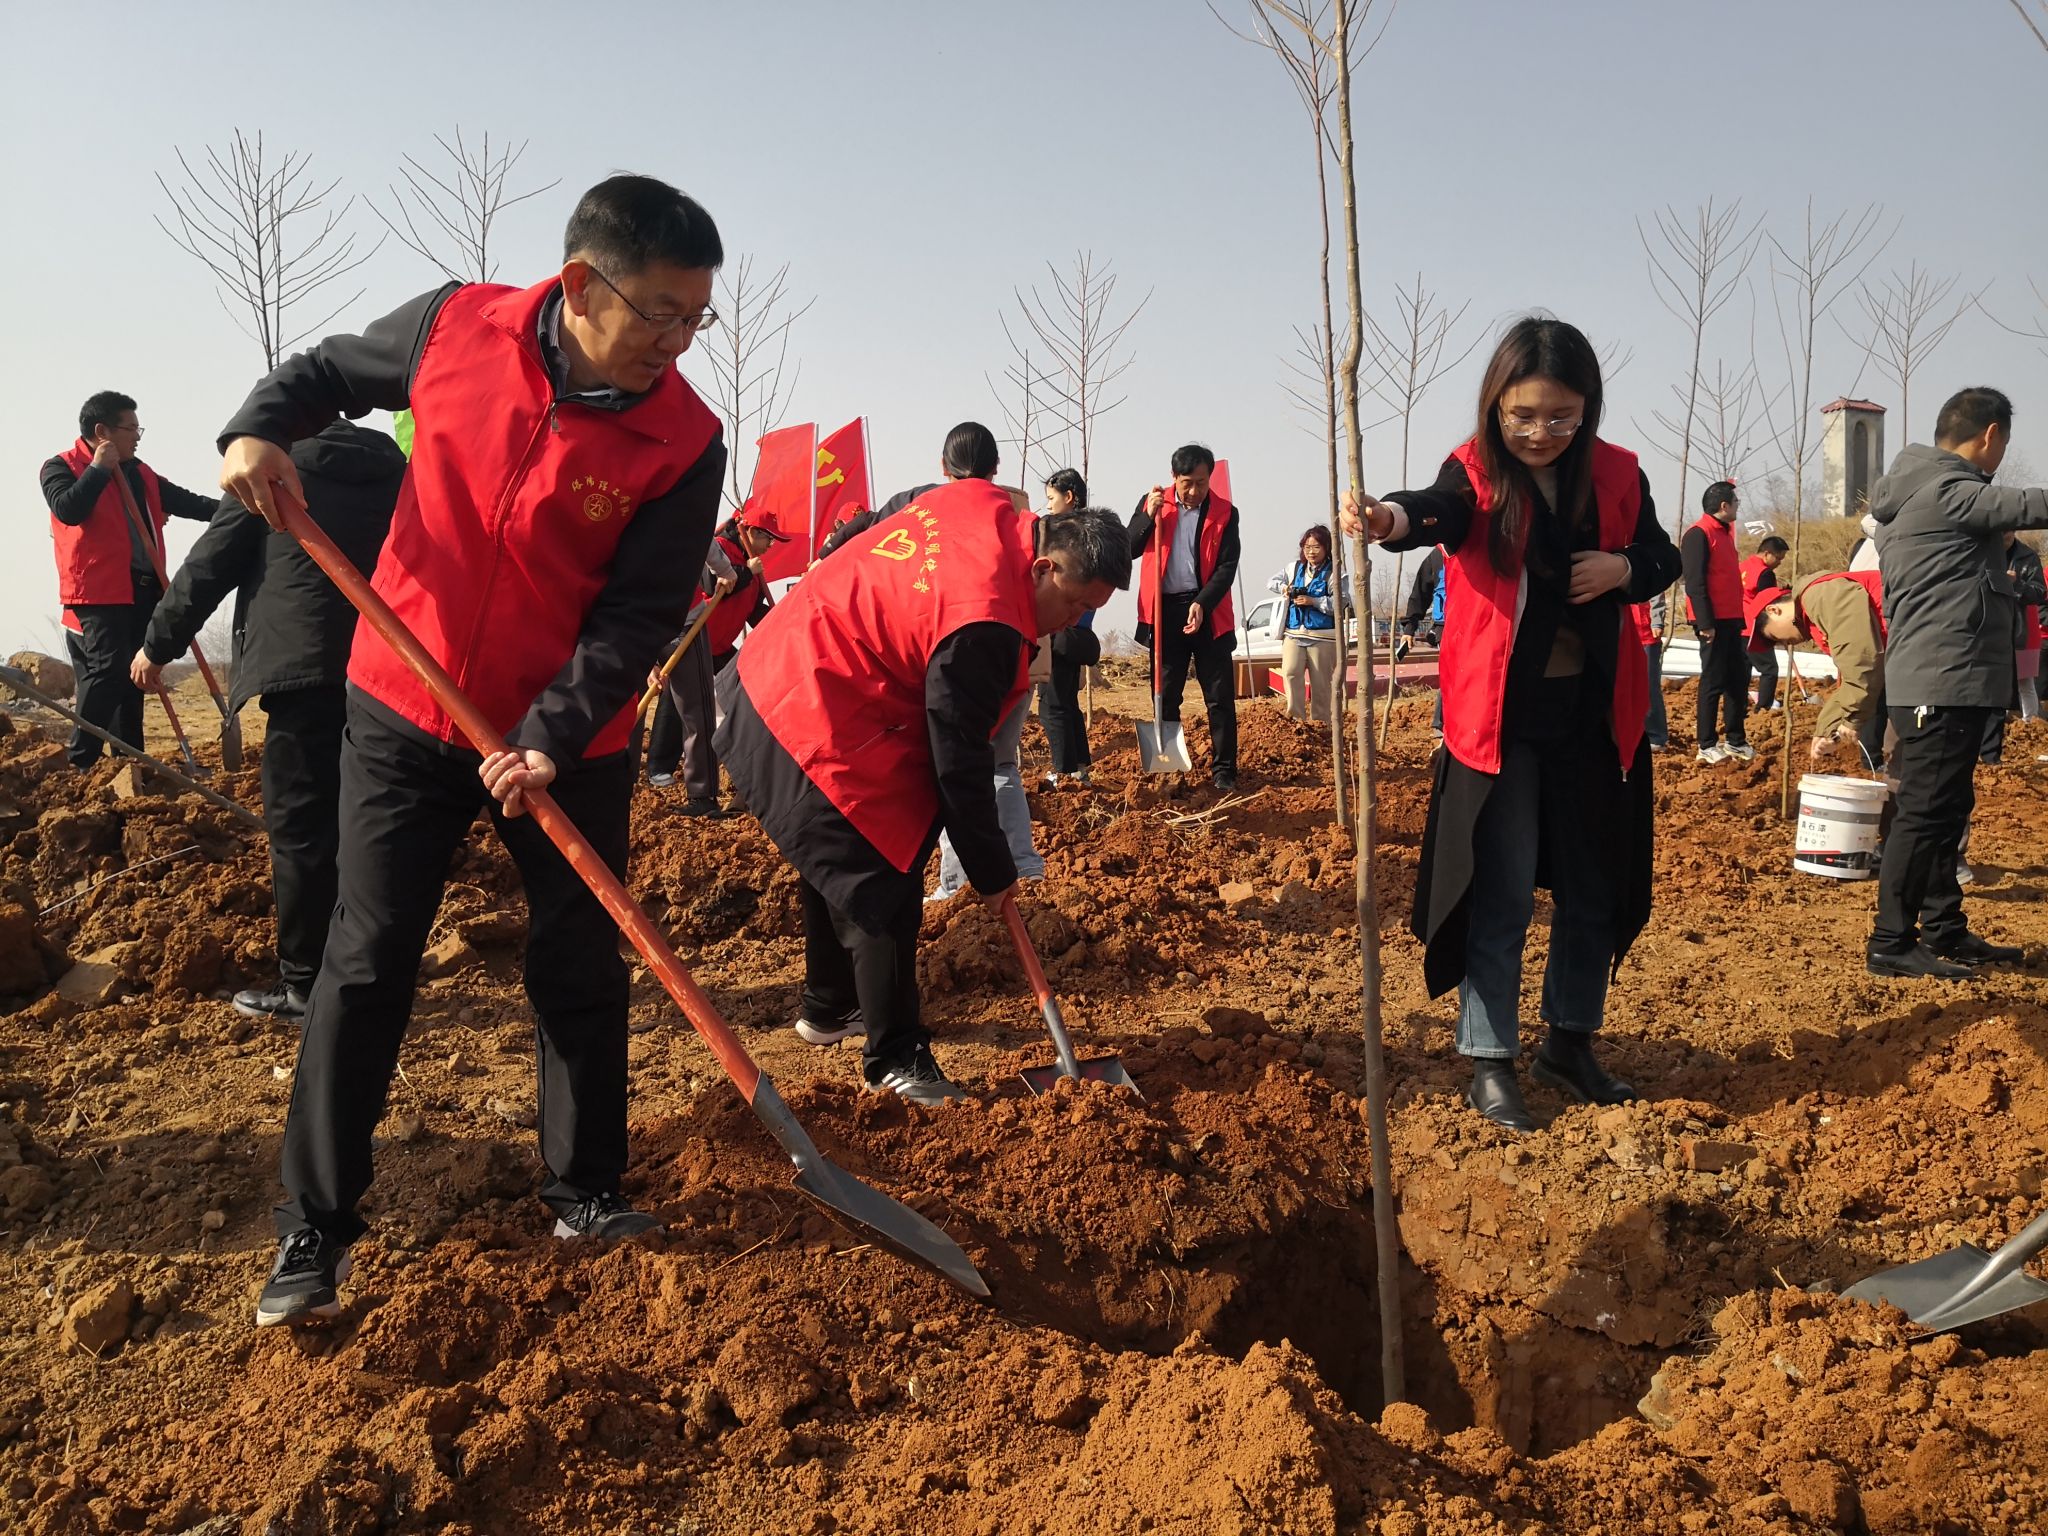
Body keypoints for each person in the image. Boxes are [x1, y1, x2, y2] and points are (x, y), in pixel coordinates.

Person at [215, 174, 729, 1326]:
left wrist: (548, 738)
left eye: (695, 317)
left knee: (579, 963)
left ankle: (585, 1190)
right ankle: (317, 1227)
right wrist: (257, 428)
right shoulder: (458, 325)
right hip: (403, 704)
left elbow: (637, 617)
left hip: (569, 738)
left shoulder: (685, 440)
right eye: (658, 312)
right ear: (581, 284)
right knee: (369, 954)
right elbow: (325, 373)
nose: (675, 341)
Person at [1342, 316, 1679, 1134]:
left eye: (1561, 416)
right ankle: (1489, 1059)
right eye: (1522, 415)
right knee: (1503, 889)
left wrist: (1624, 568)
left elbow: (1665, 556)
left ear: (1587, 409)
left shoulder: (1619, 474)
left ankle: (1570, 1040)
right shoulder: (1473, 474)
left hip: (1596, 716)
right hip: (1501, 721)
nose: (1539, 433)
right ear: (1496, 406)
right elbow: (1434, 515)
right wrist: (1385, 518)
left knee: (1593, 888)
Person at [717, 496, 1131, 1104]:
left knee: (832, 843)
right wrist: (993, 871)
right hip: (814, 693)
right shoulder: (985, 619)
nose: (1071, 622)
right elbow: (958, 763)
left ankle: (829, 1006)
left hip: (788, 663)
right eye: (1074, 604)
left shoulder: (990, 510)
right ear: (1044, 567)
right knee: (883, 866)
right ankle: (895, 1057)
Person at [132, 420, 407, 1022]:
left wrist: (156, 646)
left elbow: (209, 566)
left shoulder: (269, 470)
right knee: (375, 828)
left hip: (305, 673)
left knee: (304, 830)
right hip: (391, 674)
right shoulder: (400, 473)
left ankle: (307, 986)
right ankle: (378, 977)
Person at [1864, 386, 2046, 979]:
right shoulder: (1947, 490)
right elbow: (2025, 506)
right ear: (1989, 436)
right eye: (2003, 445)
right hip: (1942, 682)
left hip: (1943, 680)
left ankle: (1944, 928)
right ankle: (1892, 941)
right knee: (1923, 814)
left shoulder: (1914, 491)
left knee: (1944, 807)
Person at [39, 392, 221, 767]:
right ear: (102, 430)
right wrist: (99, 469)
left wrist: (238, 510)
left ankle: (129, 761)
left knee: (134, 674)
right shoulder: (61, 467)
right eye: (131, 428)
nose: (137, 436)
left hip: (143, 587)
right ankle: (81, 761)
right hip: (97, 589)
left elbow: (189, 502)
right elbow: (69, 509)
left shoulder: (140, 473)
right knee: (107, 667)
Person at [1129, 445, 1244, 789]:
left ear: (1210, 478)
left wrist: (1203, 603)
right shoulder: (1154, 503)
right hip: (1165, 613)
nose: (1194, 491)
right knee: (1165, 694)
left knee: (1219, 696)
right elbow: (1129, 547)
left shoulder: (1225, 512)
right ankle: (1170, 769)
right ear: (1173, 478)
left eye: (1201, 482)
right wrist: (1146, 518)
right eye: (1186, 483)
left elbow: (1227, 567)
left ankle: (1224, 771)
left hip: (1209, 610)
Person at [1745, 568, 1886, 760]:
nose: (1784, 644)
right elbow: (1855, 678)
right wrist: (1825, 729)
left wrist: (1852, 720)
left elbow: (1863, 663)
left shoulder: (1820, 596)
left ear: (1774, 610)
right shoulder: (1813, 618)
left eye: (1774, 638)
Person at [1037, 469, 1098, 786]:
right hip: (1079, 630)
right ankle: (1079, 767)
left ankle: (1063, 772)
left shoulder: (1067, 535)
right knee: (1067, 701)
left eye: (1051, 498)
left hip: (1062, 628)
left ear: (1069, 497)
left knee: (1052, 704)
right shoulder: (1091, 532)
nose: (1047, 505)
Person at [1682, 481, 1750, 764]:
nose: (1737, 506)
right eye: (1735, 502)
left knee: (1738, 679)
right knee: (1713, 680)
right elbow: (1694, 582)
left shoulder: (1724, 534)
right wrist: (1705, 622)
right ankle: (1707, 743)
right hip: (1712, 621)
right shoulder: (1698, 534)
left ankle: (1736, 740)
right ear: (1724, 506)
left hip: (1732, 619)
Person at [1267, 524, 1339, 724]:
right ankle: (1296, 721)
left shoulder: (1334, 572)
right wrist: (1285, 589)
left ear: (1326, 548)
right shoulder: (1294, 568)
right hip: (1293, 633)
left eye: (1316, 547)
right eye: (1307, 547)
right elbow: (1271, 582)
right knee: (1290, 673)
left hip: (1322, 637)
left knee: (1321, 683)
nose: (1311, 552)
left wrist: (1313, 601)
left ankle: (1321, 724)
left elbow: (1342, 603)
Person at [1741, 535, 1788, 712]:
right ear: (1767, 554)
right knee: (1769, 669)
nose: (1780, 563)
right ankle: (1763, 708)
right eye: (1778, 558)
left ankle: (1740, 707)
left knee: (1743, 671)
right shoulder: (1764, 573)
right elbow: (1769, 603)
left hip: (1738, 627)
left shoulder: (1742, 567)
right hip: (1755, 627)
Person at [2004, 532, 2045, 725]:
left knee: (2026, 682)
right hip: (1991, 631)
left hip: (2025, 630)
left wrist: (2017, 584)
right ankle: (1995, 725)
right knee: (1994, 680)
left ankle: (2030, 723)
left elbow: (2039, 593)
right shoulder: (1983, 551)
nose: (2003, 534)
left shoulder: (2028, 556)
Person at [1631, 593, 1668, 751]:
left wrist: (1657, 622)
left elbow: (1656, 593)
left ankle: (1656, 735)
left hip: (1646, 633)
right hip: (1624, 632)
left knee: (1649, 686)